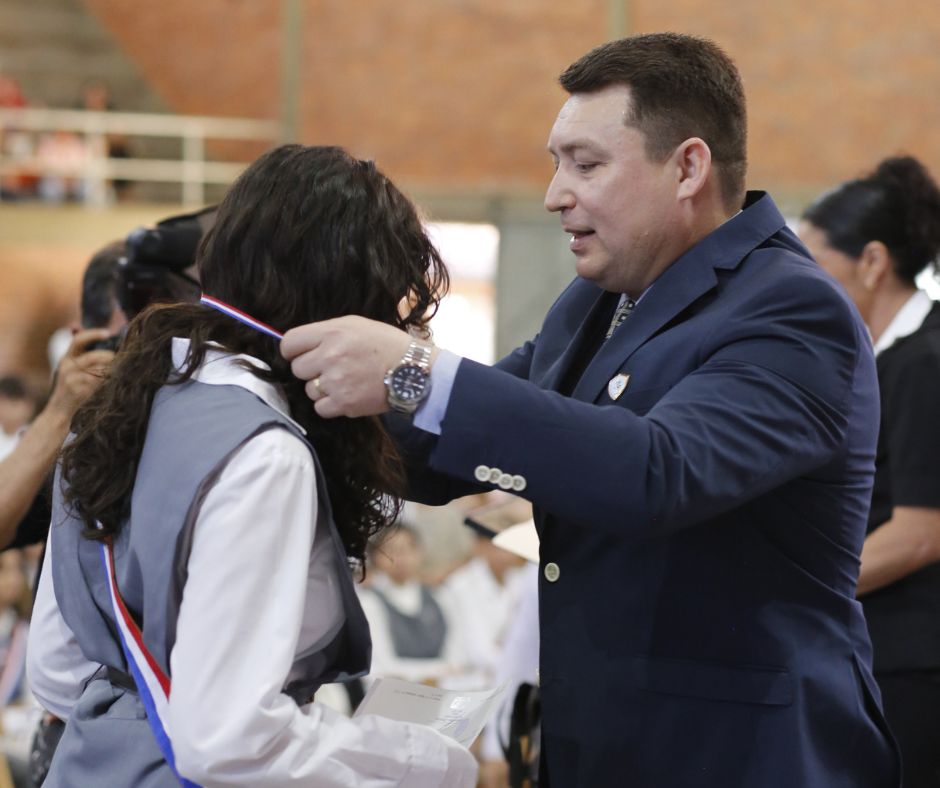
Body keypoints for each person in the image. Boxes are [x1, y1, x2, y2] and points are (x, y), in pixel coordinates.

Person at [281, 34, 900, 787]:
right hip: (605, 740)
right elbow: (454, 446)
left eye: (586, 164)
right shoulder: (596, 302)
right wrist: (294, 399)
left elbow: (656, 472)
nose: (554, 194)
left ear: (688, 168)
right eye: (556, 163)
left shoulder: (794, 310)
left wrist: (413, 372)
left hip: (737, 753)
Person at [27, 144, 476, 787]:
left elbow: (58, 673)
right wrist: (426, 759)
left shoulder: (118, 408)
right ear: (352, 300)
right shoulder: (265, 452)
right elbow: (228, 741)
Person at [800, 155, 940, 788]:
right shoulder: (886, 361)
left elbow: (920, 532)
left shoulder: (923, 361)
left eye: (814, 267)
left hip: (913, 661)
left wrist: (801, 591)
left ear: (873, 262)